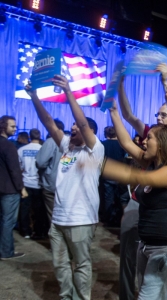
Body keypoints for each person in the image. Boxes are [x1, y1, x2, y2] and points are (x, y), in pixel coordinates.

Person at [25, 75, 105, 300]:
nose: (72, 130)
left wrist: (69, 92)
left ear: (90, 132)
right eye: (70, 128)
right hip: (58, 219)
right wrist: (34, 96)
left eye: (77, 129)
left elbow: (81, 123)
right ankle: (66, 297)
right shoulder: (66, 147)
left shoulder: (95, 150)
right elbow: (49, 122)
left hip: (81, 219)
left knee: (81, 264)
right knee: (60, 265)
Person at [103, 99, 167, 300]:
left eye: (149, 138)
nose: (143, 141)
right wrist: (114, 112)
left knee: (146, 297)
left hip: (165, 249)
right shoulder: (150, 162)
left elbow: (141, 178)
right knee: (152, 294)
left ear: (162, 145)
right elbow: (125, 142)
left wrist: (100, 165)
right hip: (146, 244)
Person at [117, 66, 167, 263]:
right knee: (129, 253)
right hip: (140, 198)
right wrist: (120, 85)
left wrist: (165, 83)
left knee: (153, 257)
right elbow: (129, 117)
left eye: (163, 115)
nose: (158, 119)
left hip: (161, 206)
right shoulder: (152, 135)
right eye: (157, 115)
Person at [0, 115, 27, 260]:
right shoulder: (8, 145)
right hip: (9, 189)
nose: (15, 129)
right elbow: (14, 169)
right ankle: (6, 252)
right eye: (12, 126)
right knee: (8, 222)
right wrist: (21, 188)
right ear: (4, 127)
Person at [35, 119, 65, 225]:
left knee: (54, 216)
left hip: (52, 184)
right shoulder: (71, 141)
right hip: (68, 185)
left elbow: (40, 162)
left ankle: (58, 240)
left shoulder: (51, 141)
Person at [17, 128, 43, 239]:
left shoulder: (21, 150)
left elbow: (19, 167)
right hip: (39, 183)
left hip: (26, 183)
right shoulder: (43, 149)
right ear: (39, 136)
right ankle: (39, 231)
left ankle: (26, 231)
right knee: (39, 210)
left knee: (25, 209)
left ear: (29, 137)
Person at [101, 126, 127, 226]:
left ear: (105, 133)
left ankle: (109, 220)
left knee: (108, 198)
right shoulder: (122, 145)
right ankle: (120, 219)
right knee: (121, 199)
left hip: (107, 174)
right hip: (120, 174)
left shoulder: (102, 144)